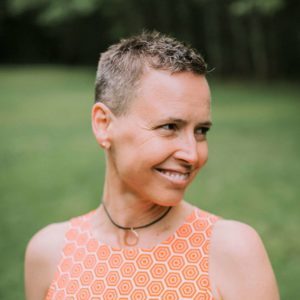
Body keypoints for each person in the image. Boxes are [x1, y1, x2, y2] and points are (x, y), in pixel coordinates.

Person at [24, 31, 280, 300]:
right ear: (104, 124)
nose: (192, 155)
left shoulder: (232, 251)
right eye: (170, 127)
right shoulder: (49, 253)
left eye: (201, 130)